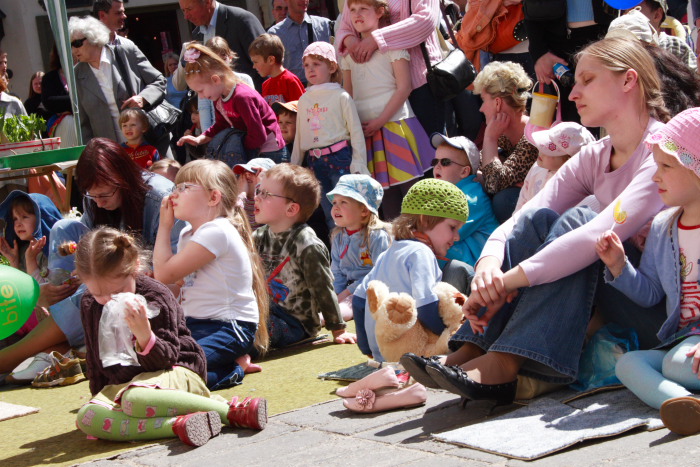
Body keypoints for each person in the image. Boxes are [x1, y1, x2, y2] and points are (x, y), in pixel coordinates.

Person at [402, 37, 670, 406]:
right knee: (539, 221)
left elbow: (596, 232)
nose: (573, 94)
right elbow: (523, 218)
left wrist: (505, 283)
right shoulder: (595, 155)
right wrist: (488, 267)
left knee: (581, 219)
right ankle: (476, 347)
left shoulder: (663, 150)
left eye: (587, 80)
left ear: (628, 80)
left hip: (664, 317)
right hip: (618, 294)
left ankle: (506, 361)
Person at [0, 138, 184, 377]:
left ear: (123, 178)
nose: (98, 202)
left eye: (104, 195)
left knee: (90, 293)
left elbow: (174, 272)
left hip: (150, 283)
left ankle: (15, 357)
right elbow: (89, 246)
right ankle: (60, 342)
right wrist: (75, 275)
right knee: (64, 228)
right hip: (109, 284)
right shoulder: (95, 197)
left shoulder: (159, 196)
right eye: (92, 196)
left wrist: (96, 278)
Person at [74, 227, 268, 446]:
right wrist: (100, 399)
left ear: (135, 267)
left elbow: (168, 358)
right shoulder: (90, 304)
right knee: (87, 416)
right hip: (126, 385)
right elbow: (95, 359)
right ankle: (179, 424)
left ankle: (229, 411)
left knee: (134, 399)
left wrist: (144, 335)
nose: (109, 300)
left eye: (118, 291)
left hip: (174, 371)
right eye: (99, 294)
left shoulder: (154, 295)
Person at [594, 108, 700, 436]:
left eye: (666, 166)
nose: (656, 177)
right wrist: (619, 266)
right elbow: (652, 292)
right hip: (683, 342)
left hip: (688, 351)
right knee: (629, 364)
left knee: (675, 364)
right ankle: (687, 406)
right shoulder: (663, 227)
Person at [154, 159, 269, 389]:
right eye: (175, 187)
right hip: (195, 324)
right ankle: (228, 363)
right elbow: (177, 283)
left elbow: (164, 274)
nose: (174, 194)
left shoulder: (216, 231)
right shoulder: (188, 234)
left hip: (228, 326)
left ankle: (233, 369)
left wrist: (164, 226)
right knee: (161, 366)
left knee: (182, 372)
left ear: (213, 197)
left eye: (184, 187)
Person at [352, 178, 469, 361]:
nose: (456, 237)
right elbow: (426, 305)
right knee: (460, 271)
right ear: (425, 220)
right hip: (414, 352)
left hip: (383, 353)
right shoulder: (420, 252)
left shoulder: (388, 253)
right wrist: (447, 335)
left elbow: (359, 300)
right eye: (452, 227)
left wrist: (366, 346)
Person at [340, 0, 433, 219]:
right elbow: (348, 96)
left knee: (411, 193)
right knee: (385, 197)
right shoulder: (347, 56)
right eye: (353, 10)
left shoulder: (394, 47)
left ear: (380, 12)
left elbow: (404, 88)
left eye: (363, 9)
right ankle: (393, 239)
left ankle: (421, 238)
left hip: (395, 126)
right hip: (367, 133)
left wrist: (379, 121)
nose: (357, 15)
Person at [253, 163, 357, 348]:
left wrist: (338, 329)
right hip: (266, 311)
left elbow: (323, 288)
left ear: (291, 209)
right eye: (258, 191)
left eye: (266, 194)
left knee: (250, 329)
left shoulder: (305, 243)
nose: (257, 198)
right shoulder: (259, 236)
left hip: (295, 323)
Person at [336, 0, 449, 137]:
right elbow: (345, 27)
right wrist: (352, 43)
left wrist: (377, 39)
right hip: (378, 90)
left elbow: (426, 20)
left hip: (420, 81)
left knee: (430, 144)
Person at [290, 42, 369, 229]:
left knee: (349, 211)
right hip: (314, 163)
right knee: (329, 214)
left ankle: (357, 246)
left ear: (332, 67)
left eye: (316, 64)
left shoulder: (341, 96)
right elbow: (300, 136)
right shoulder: (304, 99)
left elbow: (355, 132)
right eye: (306, 65)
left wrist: (358, 162)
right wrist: (294, 166)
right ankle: (337, 247)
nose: (310, 69)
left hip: (340, 160)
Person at [69, 16, 170, 157]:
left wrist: (143, 98)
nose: (73, 50)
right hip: (111, 153)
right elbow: (83, 124)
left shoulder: (126, 52)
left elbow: (159, 81)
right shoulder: (77, 74)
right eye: (70, 45)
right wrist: (91, 155)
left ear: (93, 38)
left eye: (77, 43)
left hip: (148, 144)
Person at [176, 43, 287, 165]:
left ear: (215, 80)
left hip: (270, 151)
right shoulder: (218, 97)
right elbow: (221, 124)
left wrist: (237, 148)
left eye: (201, 91)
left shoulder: (242, 97)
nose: (201, 97)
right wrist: (199, 139)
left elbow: (258, 135)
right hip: (253, 147)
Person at [0, 192, 63, 363]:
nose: (18, 223)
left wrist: (31, 261)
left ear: (41, 218)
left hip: (50, 320)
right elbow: (19, 292)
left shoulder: (55, 250)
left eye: (25, 217)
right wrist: (13, 261)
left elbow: (44, 296)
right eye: (14, 219)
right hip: (26, 320)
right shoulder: (24, 250)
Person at [474, 61, 538, 223]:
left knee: (504, 199)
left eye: (483, 100)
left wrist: (489, 138)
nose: (481, 109)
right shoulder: (503, 131)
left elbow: (493, 184)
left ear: (497, 103)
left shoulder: (533, 135)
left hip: (540, 214)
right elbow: (474, 166)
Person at [327, 175, 391, 322]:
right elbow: (336, 271)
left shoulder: (377, 236)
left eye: (343, 202)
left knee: (349, 305)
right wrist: (335, 294)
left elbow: (378, 273)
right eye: (334, 202)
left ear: (364, 210)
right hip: (347, 289)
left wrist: (347, 292)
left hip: (371, 288)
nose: (335, 207)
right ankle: (327, 312)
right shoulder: (337, 236)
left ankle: (329, 317)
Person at [430, 133, 498, 267]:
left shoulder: (471, 199)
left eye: (445, 162)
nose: (437, 167)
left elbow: (440, 236)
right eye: (434, 162)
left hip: (475, 268)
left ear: (464, 172)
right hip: (458, 262)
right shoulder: (445, 194)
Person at [178, 0, 265, 91]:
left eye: (189, 9)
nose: (186, 16)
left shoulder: (241, 20)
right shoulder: (197, 34)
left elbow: (265, 63)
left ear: (208, 2)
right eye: (183, 10)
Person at [515, 122, 596, 211]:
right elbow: (523, 197)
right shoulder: (536, 168)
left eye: (548, 151)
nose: (540, 151)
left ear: (568, 161)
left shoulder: (571, 186)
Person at [267, 0, 334, 85]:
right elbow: (272, 70)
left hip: (325, 86)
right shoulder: (275, 33)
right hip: (294, 89)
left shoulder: (325, 25)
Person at [628, 0, 697, 71]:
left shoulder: (675, 45)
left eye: (636, 10)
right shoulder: (624, 46)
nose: (628, 16)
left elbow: (694, 75)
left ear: (657, 15)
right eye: (625, 12)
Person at [249, 34, 305, 105]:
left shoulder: (290, 81)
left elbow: (301, 107)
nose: (254, 66)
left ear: (271, 60)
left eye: (256, 62)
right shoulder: (265, 85)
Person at [233, 157, 276, 231]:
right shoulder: (235, 200)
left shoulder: (272, 203)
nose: (247, 174)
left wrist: (262, 187)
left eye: (255, 172)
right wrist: (241, 195)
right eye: (244, 171)